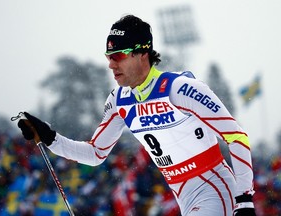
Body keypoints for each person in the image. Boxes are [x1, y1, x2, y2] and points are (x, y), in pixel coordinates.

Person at [17, 15, 256, 215]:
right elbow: (95, 153)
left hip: (213, 188)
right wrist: (50, 138)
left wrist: (244, 199)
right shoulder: (119, 100)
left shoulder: (180, 88)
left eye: (118, 56)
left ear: (142, 53)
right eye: (108, 57)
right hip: (180, 193)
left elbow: (236, 137)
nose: (111, 64)